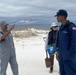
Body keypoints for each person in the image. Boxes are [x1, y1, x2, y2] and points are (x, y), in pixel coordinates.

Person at [55, 9, 76, 75]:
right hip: (61, 57)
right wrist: (58, 52)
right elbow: (59, 42)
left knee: (70, 73)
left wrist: (69, 54)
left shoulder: (71, 27)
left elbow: (74, 42)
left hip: (69, 57)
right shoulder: (61, 28)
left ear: (62, 16)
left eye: (58, 16)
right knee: (62, 73)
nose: (57, 18)